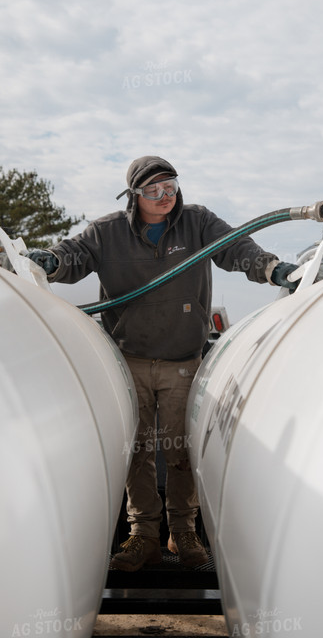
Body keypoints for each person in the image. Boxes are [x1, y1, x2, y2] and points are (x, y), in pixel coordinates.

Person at [28, 155, 298, 571]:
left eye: (169, 187)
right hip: (129, 360)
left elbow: (236, 248)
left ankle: (183, 533)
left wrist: (271, 269)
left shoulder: (198, 223)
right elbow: (74, 255)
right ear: (134, 196)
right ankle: (142, 536)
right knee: (135, 450)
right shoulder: (108, 232)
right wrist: (50, 260)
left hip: (182, 362)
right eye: (153, 190)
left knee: (180, 449)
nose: (164, 197)